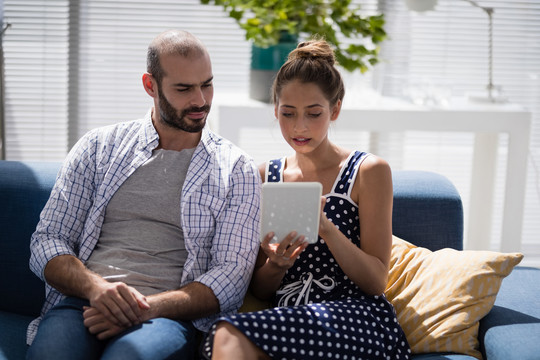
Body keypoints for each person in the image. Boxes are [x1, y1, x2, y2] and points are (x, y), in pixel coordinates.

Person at [26, 29, 261, 360]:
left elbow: (231, 276)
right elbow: (48, 240)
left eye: (207, 84)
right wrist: (98, 289)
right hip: (84, 303)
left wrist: (143, 308)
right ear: (150, 85)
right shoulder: (98, 147)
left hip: (164, 316)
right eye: (184, 88)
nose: (200, 100)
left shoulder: (235, 168)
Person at [203, 39, 411, 360]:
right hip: (290, 319)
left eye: (314, 114)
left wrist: (326, 229)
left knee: (229, 334)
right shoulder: (264, 177)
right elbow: (260, 290)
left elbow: (375, 282)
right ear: (276, 110)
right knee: (223, 334)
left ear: (335, 110)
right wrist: (276, 263)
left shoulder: (368, 171)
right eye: (288, 113)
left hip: (356, 319)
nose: (299, 127)